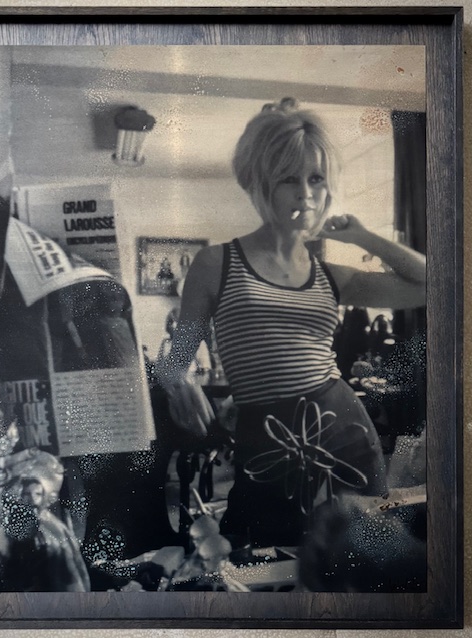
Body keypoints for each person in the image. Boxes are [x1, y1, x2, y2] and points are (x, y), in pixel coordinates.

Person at [157, 98, 426, 549]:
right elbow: (175, 360)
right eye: (289, 178)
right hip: (267, 441)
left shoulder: (330, 275)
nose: (305, 193)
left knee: (361, 557)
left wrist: (361, 235)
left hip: (347, 435)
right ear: (260, 183)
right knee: (265, 557)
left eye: (316, 178)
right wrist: (178, 382)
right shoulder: (215, 263)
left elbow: (431, 284)